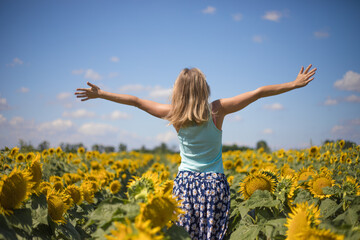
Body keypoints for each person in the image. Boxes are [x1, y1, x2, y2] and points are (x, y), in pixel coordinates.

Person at [74, 65, 317, 239]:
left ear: (178, 91)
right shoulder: (216, 110)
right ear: (204, 88)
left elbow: (136, 100)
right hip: (214, 184)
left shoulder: (174, 114)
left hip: (185, 184)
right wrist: (293, 84)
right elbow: (259, 92)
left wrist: (101, 94)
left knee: (184, 235)